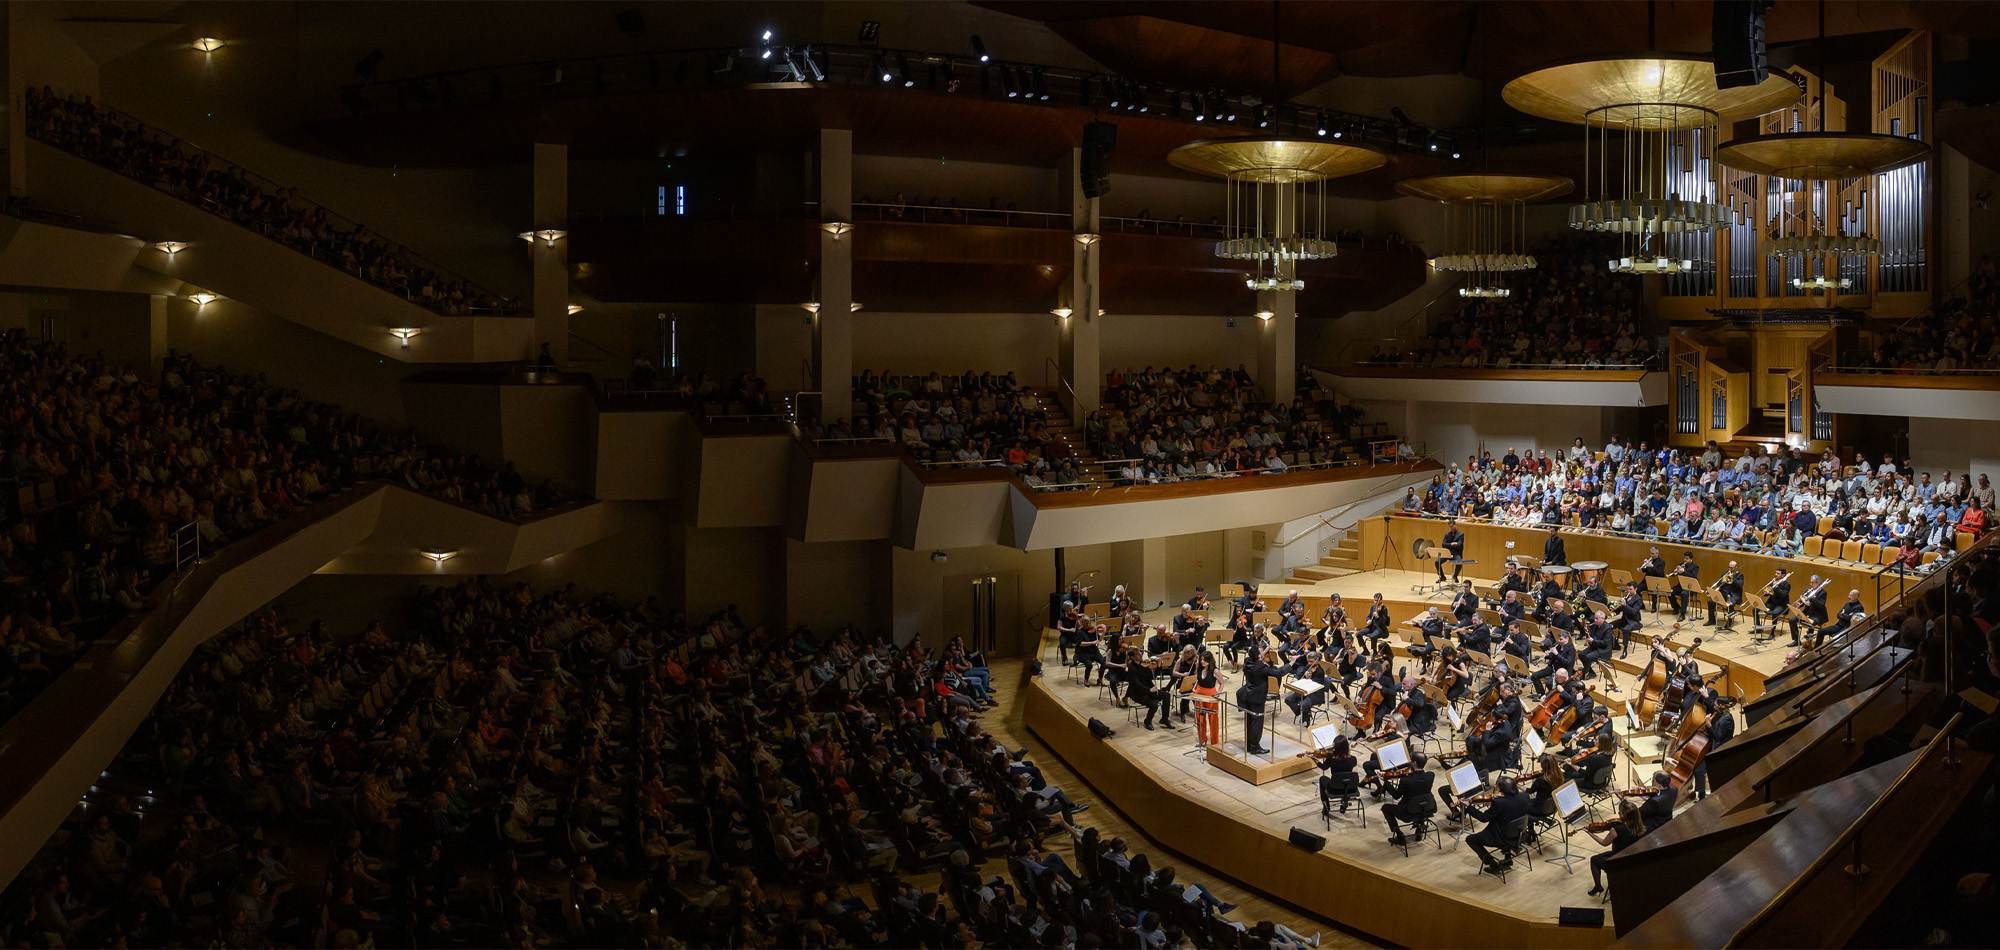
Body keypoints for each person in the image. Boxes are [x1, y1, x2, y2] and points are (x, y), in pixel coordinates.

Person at [1465, 775, 1533, 874]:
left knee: (1471, 839)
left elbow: (1484, 818)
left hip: (1503, 837)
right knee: (1508, 822)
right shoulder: (1525, 796)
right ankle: (1508, 858)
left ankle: (1493, 865)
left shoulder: (1499, 803)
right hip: (1519, 834)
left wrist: (1469, 807)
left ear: (1502, 789)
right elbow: (1510, 810)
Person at [1585, 800, 1646, 896]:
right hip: (1631, 859)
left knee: (1594, 860)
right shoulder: (1639, 826)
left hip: (1617, 860)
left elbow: (1603, 843)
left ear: (1624, 815)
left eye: (1620, 812)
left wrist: (1589, 833)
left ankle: (1598, 886)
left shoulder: (1617, 830)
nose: (1618, 813)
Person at [1378, 751, 1437, 847]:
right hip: (1427, 809)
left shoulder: (1406, 781)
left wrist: (1386, 782)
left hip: (1408, 813)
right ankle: (1419, 829)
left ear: (1414, 763)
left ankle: (1400, 836)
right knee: (1419, 801)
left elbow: (1396, 795)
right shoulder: (1430, 776)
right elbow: (1418, 784)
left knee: (1386, 808)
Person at [1237, 648, 1284, 755]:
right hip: (1258, 698)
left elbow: (1256, 660)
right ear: (1258, 656)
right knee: (1257, 723)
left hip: (1248, 696)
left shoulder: (1247, 662)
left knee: (1249, 721)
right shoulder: (1261, 667)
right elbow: (1279, 672)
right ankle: (1255, 746)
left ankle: (1249, 745)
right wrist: (1291, 663)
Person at [1315, 735, 1359, 818]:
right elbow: (1349, 761)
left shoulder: (1331, 759)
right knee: (1346, 780)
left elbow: (1324, 767)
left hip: (1334, 788)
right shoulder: (1353, 759)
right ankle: (1344, 804)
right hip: (1350, 789)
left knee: (1322, 779)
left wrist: (1315, 760)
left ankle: (1326, 807)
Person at [1705, 561, 1744, 628]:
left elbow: (1740, 585)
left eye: (1732, 568)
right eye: (1729, 567)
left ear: (1736, 567)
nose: (1730, 569)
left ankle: (1729, 623)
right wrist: (1722, 582)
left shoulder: (1740, 576)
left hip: (1733, 596)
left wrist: (1732, 578)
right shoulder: (1724, 573)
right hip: (1723, 594)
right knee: (1710, 601)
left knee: (1730, 604)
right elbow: (1718, 584)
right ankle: (1711, 620)